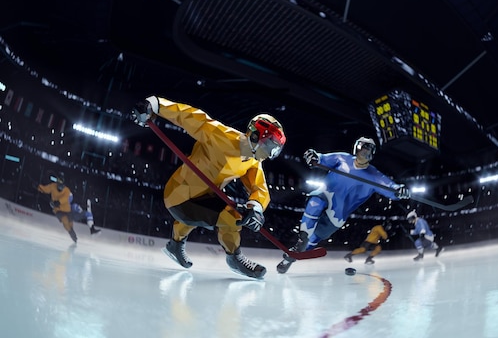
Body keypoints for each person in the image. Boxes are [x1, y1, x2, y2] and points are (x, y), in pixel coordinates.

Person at [131, 96, 286, 279]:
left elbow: (259, 188)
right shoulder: (221, 136)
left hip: (206, 196)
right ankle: (234, 258)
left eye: (275, 150)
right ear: (254, 136)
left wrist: (256, 208)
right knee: (232, 218)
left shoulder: (253, 162)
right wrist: (155, 104)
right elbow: (189, 116)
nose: (270, 153)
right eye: (270, 146)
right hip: (181, 194)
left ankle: (174, 245)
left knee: (200, 214)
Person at [276, 137, 411, 273]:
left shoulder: (374, 175)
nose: (364, 153)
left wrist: (400, 190)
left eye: (368, 151)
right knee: (315, 203)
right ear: (356, 149)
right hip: (326, 194)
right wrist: (313, 156)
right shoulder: (342, 158)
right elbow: (321, 159)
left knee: (316, 237)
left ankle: (290, 258)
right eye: (362, 149)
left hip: (338, 214)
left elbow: (391, 188)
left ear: (372, 154)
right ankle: (302, 239)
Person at [35, 172, 78, 242]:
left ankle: (72, 233)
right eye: (58, 181)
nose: (59, 184)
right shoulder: (53, 186)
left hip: (67, 210)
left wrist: (58, 202)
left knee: (70, 224)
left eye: (61, 182)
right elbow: (45, 189)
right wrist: (38, 187)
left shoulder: (67, 190)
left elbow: (64, 199)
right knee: (65, 221)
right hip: (58, 210)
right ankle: (71, 233)